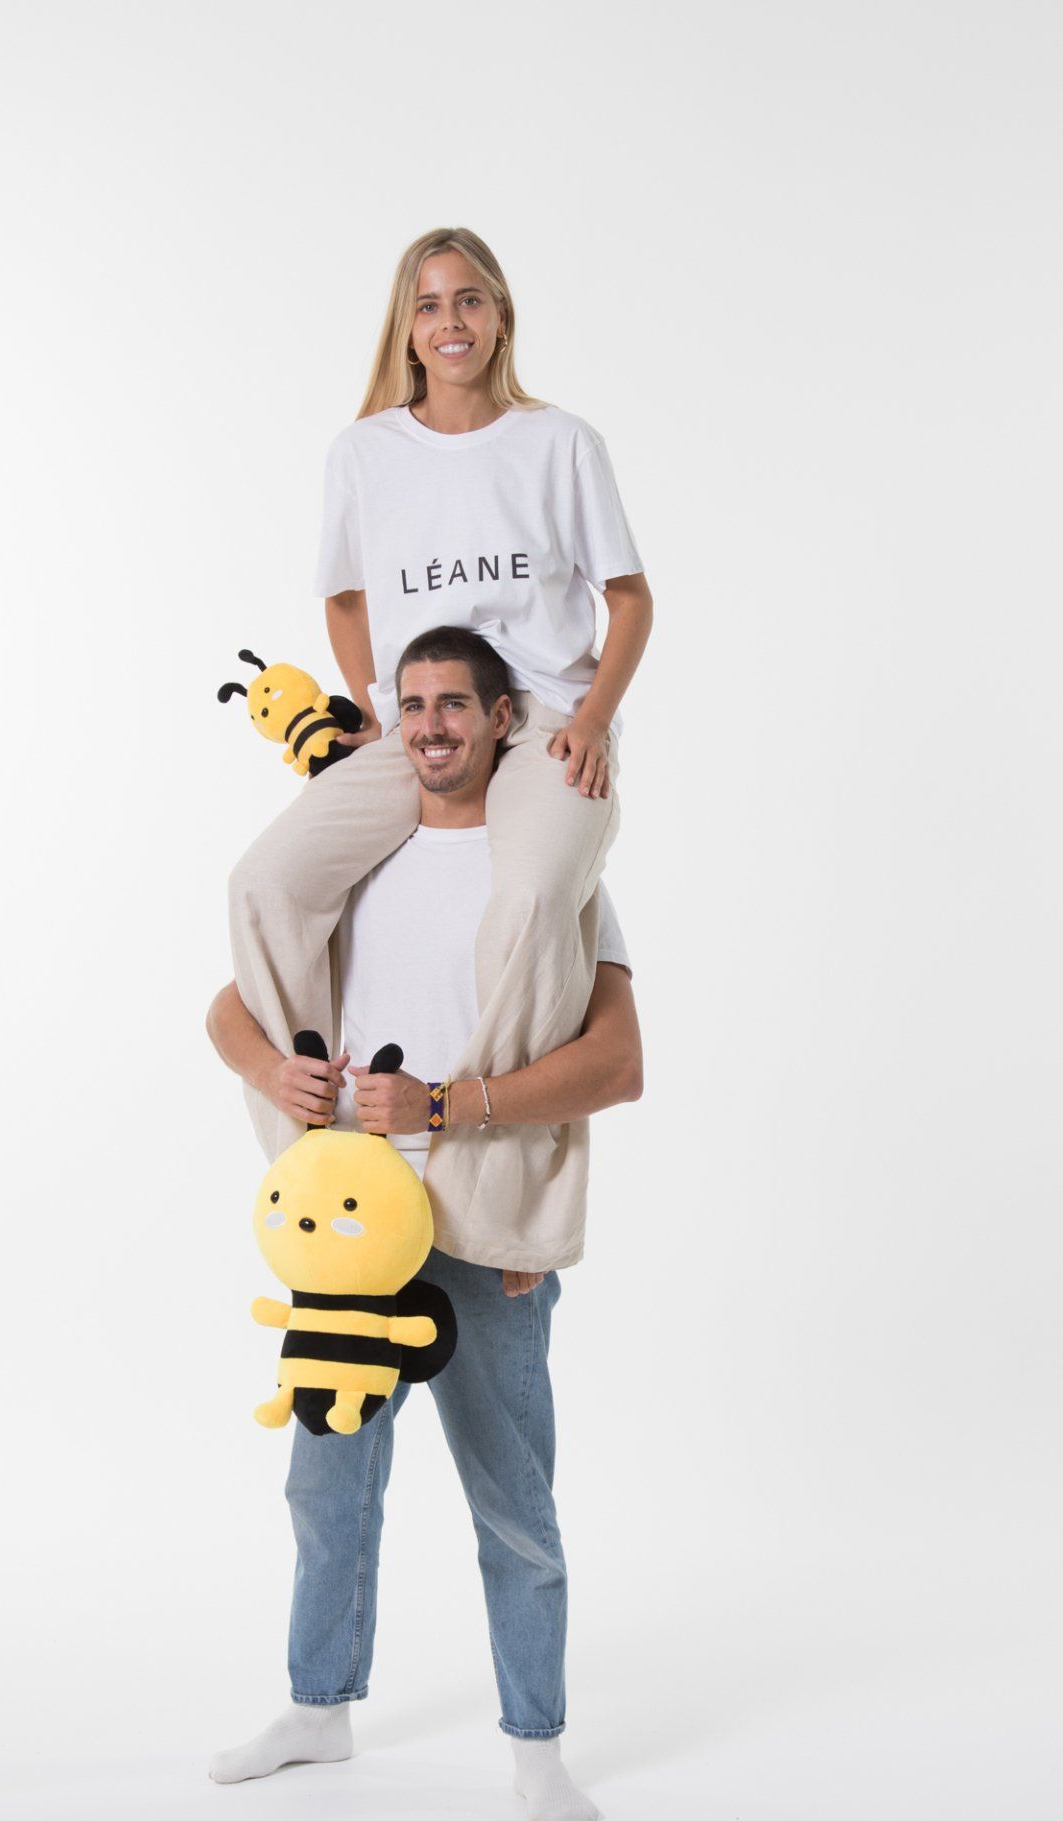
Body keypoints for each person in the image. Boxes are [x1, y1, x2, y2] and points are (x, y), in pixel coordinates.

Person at [206, 629, 643, 1821]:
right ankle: (318, 1707)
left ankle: (538, 1747)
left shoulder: (554, 873)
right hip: (352, 1226)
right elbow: (229, 1010)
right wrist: (276, 1073)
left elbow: (618, 1064)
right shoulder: (359, 856)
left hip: (486, 1233)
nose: (432, 725)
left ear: (505, 720)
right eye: (412, 705)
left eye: (456, 703)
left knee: (513, 1502)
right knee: (327, 1484)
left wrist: (448, 1106)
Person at [229, 226, 653, 1278]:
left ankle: (501, 1209)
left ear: (500, 316)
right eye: (428, 304)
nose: (450, 322)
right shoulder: (364, 453)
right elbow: (344, 597)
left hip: (543, 717)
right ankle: (313, 1161)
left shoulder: (560, 443)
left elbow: (629, 598)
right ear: (406, 328)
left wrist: (591, 720)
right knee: (266, 884)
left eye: (469, 300)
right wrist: (379, 709)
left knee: (533, 900)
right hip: (421, 719)